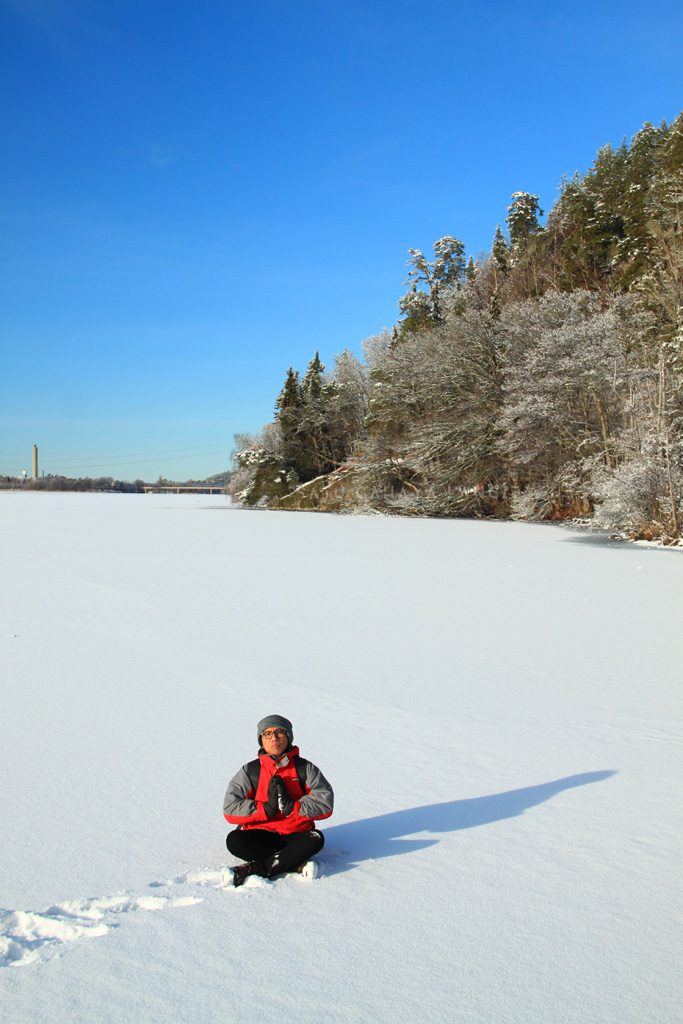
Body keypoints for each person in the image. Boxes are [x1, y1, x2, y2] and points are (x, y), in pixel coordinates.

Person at [223, 714, 334, 887]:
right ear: (261, 740)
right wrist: (265, 809)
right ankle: (294, 862)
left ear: (288, 736)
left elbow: (325, 803)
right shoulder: (251, 771)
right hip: (262, 836)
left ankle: (253, 869)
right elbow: (230, 808)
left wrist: (293, 808)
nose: (274, 738)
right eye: (267, 733)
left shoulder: (304, 768)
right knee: (235, 841)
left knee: (315, 838)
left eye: (279, 732)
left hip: (295, 834)